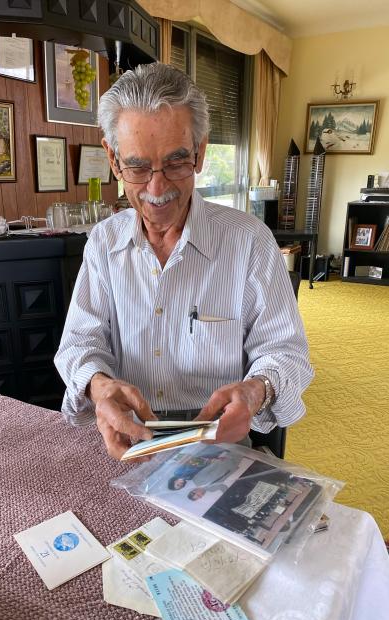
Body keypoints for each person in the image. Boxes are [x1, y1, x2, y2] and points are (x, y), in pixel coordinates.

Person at [54, 63, 313, 460]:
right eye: (137, 167)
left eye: (176, 163)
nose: (156, 189)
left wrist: (256, 389)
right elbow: (79, 342)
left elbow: (286, 352)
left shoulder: (249, 242)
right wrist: (99, 386)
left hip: (219, 449)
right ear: (112, 159)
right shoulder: (104, 242)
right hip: (127, 442)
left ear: (200, 153)